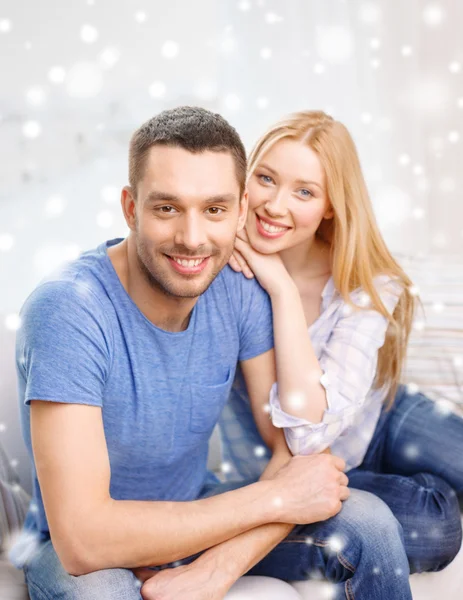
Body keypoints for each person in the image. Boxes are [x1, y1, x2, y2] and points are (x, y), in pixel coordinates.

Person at [8, 106, 415, 600]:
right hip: (79, 547)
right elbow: (84, 538)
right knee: (103, 591)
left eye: (215, 209)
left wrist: (221, 565)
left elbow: (300, 446)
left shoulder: (238, 286)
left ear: (242, 209)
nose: (193, 238)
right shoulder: (68, 310)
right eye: (167, 208)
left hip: (194, 510)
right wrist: (276, 498)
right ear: (130, 207)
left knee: (368, 521)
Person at [221, 109, 463, 578]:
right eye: (266, 179)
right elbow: (304, 438)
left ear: (330, 205)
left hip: (382, 413)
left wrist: (282, 285)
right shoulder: (229, 271)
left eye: (305, 192)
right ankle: (424, 490)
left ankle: (423, 482)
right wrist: (282, 290)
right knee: (434, 528)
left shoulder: (365, 281)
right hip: (316, 459)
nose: (274, 205)